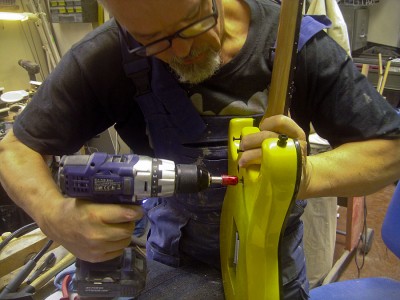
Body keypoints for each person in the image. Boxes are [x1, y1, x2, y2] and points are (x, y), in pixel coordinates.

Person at [0, 0, 399, 299]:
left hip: (271, 266)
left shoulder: (295, 43)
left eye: (191, 25)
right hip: (172, 264)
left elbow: (390, 149)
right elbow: (16, 149)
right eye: (151, 42)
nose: (179, 51)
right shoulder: (108, 53)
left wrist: (307, 174)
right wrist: (56, 216)